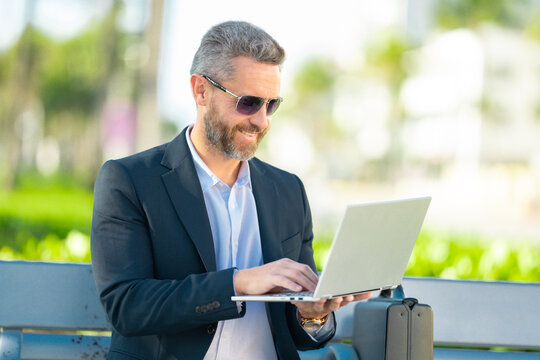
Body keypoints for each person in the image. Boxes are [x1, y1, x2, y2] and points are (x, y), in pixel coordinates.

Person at [91, 21, 370, 360]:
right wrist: (236, 284)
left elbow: (299, 335)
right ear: (201, 91)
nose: (262, 120)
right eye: (249, 102)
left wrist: (312, 314)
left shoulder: (288, 191)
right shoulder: (129, 180)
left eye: (272, 105)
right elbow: (127, 307)